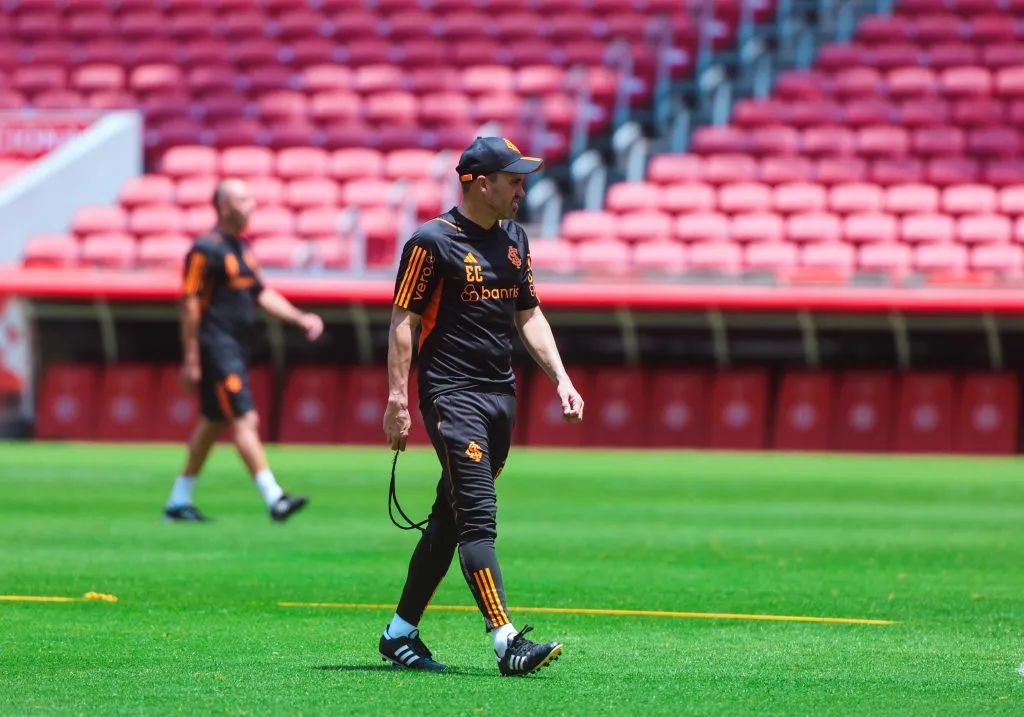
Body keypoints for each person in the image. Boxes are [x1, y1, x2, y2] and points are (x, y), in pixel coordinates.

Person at [379, 137, 585, 676]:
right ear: (480, 183)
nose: (522, 188)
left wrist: (561, 377)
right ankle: (506, 640)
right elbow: (403, 321)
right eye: (514, 180)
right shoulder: (431, 242)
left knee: (449, 519)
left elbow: (529, 314)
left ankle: (399, 633)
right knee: (477, 518)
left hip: (500, 397)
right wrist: (397, 401)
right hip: (451, 395)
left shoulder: (515, 239)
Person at [164, 179, 324, 523]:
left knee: (212, 422)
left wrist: (299, 318)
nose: (251, 205)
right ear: (223, 206)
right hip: (215, 346)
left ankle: (178, 501)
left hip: (234, 347)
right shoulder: (204, 250)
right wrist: (191, 357)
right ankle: (274, 497)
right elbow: (189, 303)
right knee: (244, 418)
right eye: (243, 199)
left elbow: (261, 293)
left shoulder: (243, 249)